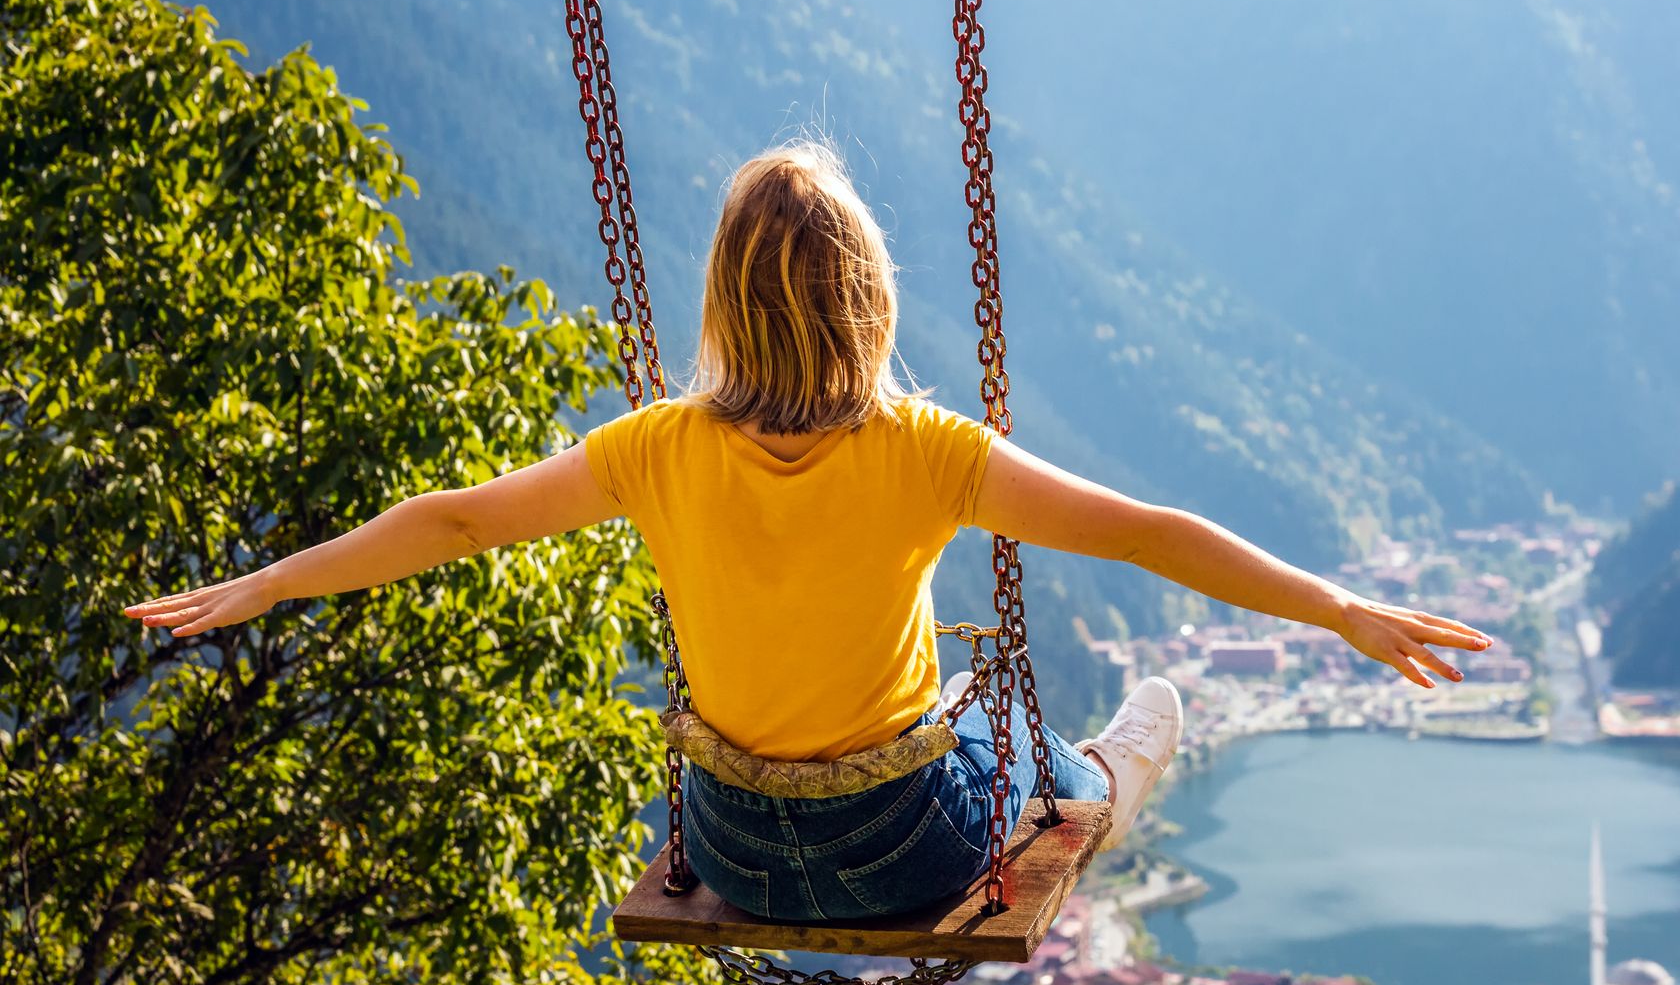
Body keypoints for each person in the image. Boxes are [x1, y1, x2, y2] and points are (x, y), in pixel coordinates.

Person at [127, 141, 1492, 923]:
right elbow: (1148, 532)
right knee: (1036, 734)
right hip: (904, 845)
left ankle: (1078, 776)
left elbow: (455, 518)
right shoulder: (924, 453)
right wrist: (1336, 608)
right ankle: (1104, 785)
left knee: (959, 721)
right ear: (870, 299)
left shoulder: (653, 447)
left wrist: (268, 583)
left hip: (726, 843)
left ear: (720, 296)